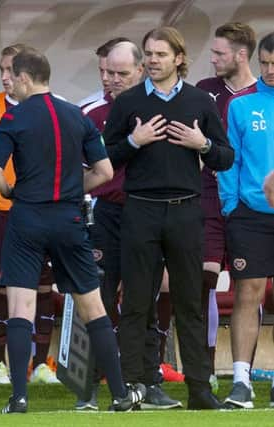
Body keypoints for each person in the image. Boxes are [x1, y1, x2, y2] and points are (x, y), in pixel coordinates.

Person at [0, 46, 145, 414]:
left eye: (13, 77)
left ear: (25, 78)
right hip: (70, 219)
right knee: (94, 306)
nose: (10, 84)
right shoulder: (77, 116)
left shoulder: (14, 117)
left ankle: (19, 397)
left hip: (26, 218)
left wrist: (13, 192)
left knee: (21, 306)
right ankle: (120, 395)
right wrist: (74, 190)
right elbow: (104, 172)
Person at [103, 26, 234, 410]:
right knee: (137, 302)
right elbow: (105, 158)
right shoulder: (127, 103)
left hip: (185, 211)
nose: (153, 60)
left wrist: (203, 144)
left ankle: (199, 389)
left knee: (190, 302)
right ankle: (132, 387)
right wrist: (133, 142)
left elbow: (224, 158)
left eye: (160, 54)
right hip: (140, 211)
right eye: (148, 53)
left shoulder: (199, 102)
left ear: (179, 58)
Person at [79, 41, 181, 411]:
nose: (111, 80)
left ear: (141, 70)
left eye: (120, 73)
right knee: (98, 299)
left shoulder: (162, 106)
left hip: (148, 214)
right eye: (105, 72)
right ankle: (88, 385)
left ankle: (147, 382)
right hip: (104, 215)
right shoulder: (88, 112)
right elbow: (76, 169)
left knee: (146, 301)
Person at [0, 44, 58, 385]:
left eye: (10, 71)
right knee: (4, 286)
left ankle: (42, 364)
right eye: (1, 70)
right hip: (5, 209)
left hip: (43, 210)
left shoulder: (52, 106)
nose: (5, 78)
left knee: (44, 287)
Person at [196, 22, 257, 391]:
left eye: (220, 53)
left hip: (250, 205)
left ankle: (243, 374)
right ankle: (203, 370)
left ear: (241, 54)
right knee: (202, 280)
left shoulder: (263, 95)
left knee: (250, 284)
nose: (213, 59)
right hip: (206, 197)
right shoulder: (205, 92)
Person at [218, 31, 274, 409]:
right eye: (265, 63)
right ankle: (241, 383)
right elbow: (228, 161)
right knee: (247, 293)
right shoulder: (241, 105)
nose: (269, 71)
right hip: (249, 215)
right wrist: (230, 207)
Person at [77, 37, 130, 107]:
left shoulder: (147, 103)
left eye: (110, 71)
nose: (104, 78)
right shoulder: (84, 108)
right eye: (101, 70)